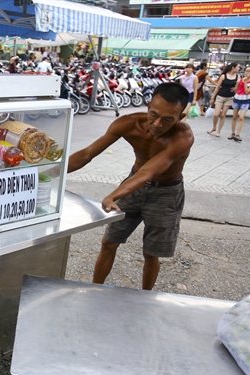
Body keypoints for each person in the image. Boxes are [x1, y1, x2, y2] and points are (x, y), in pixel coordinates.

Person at [67, 82, 193, 291]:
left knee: (151, 254)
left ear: (180, 117)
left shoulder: (183, 136)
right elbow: (87, 154)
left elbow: (149, 171)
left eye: (168, 119)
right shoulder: (127, 123)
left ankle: (144, 296)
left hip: (166, 193)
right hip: (132, 186)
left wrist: (113, 196)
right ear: (148, 105)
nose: (158, 124)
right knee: (109, 242)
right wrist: (52, 174)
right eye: (154, 114)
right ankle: (95, 290)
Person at [207, 62, 240, 138]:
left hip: (230, 97)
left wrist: (235, 89)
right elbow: (218, 87)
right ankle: (214, 127)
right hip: (220, 96)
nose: (239, 69)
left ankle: (219, 131)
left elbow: (239, 87)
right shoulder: (223, 76)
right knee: (216, 114)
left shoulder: (238, 77)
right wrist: (212, 97)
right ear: (233, 67)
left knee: (223, 115)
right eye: (238, 67)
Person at [229, 65, 250, 142]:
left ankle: (238, 134)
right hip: (237, 99)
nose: (247, 73)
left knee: (241, 117)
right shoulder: (239, 80)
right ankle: (233, 133)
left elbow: (247, 91)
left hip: (246, 100)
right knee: (234, 117)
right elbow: (236, 89)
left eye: (249, 71)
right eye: (246, 71)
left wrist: (245, 83)